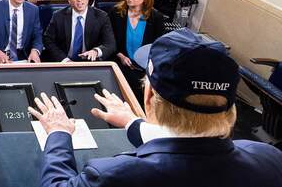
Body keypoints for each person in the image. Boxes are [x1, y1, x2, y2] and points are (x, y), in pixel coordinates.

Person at [30, 28, 282, 187]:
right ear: (230, 107)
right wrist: (132, 123)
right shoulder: (269, 158)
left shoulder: (112, 175)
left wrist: (58, 133)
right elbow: (190, 146)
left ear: (149, 96)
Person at [109, 0, 164, 103]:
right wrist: (119, 55)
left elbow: (159, 47)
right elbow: (108, 40)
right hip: (119, 62)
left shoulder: (156, 18)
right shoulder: (116, 13)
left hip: (143, 68)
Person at [43, 0, 116, 62]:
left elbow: (110, 44)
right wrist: (64, 59)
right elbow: (48, 40)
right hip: (65, 61)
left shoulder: (101, 16)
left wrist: (96, 51)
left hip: (90, 63)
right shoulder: (58, 16)